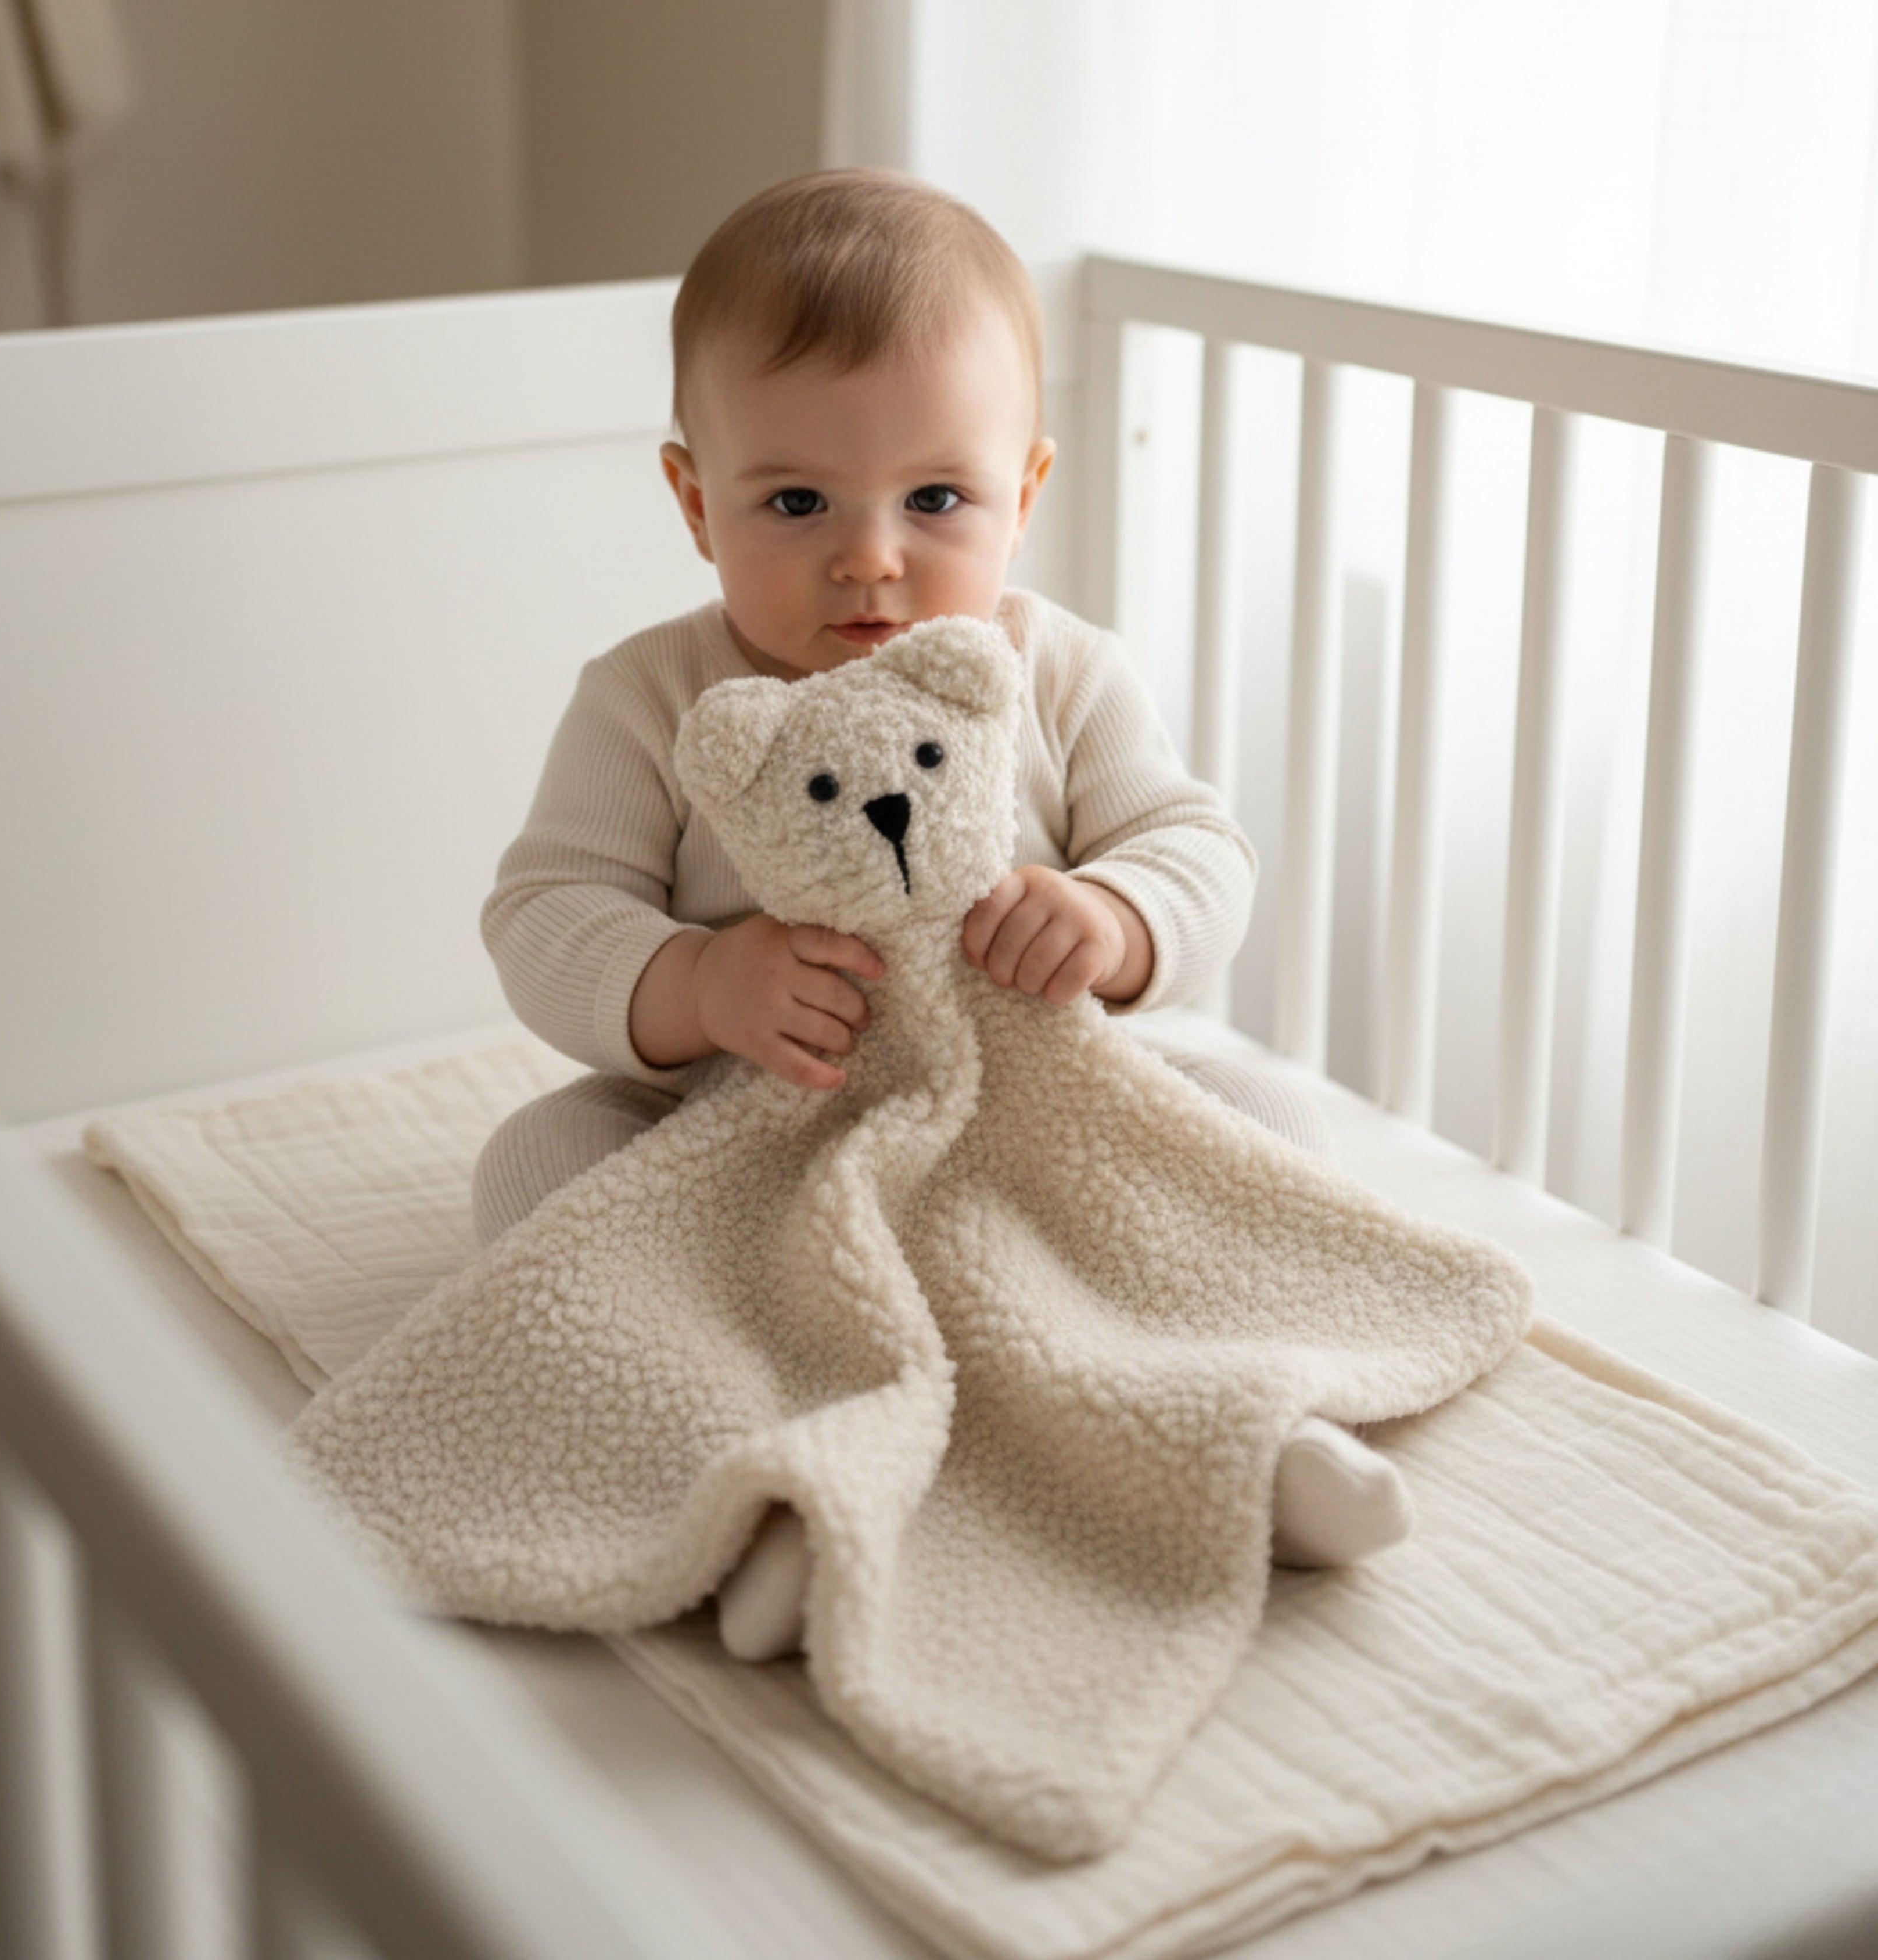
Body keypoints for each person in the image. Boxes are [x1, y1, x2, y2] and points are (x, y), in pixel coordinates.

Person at [471, 170, 1409, 1648]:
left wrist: (1112, 919)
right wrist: (698, 984)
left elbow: (1191, 840)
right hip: (746, 1157)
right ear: (690, 497)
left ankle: (1241, 1421)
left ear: (1023, 493)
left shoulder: (1060, 671)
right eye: (794, 500)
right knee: (536, 1159)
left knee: (1265, 1121)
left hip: (1023, 1140)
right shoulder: (649, 697)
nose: (870, 555)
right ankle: (751, 1478)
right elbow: (545, 909)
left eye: (934, 499)